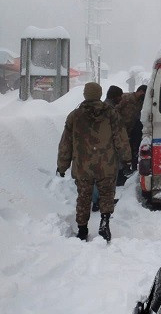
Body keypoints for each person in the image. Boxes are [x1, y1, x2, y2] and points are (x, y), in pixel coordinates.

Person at [57, 82, 131, 242]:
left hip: (83, 165)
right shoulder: (111, 114)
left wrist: (62, 166)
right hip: (106, 163)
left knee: (83, 197)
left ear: (85, 95)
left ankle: (82, 230)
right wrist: (126, 159)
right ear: (99, 94)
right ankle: (105, 222)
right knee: (106, 194)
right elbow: (121, 138)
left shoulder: (74, 116)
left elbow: (66, 143)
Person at [92, 85, 125, 212]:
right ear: (115, 96)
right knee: (106, 177)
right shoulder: (109, 110)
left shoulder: (105, 108)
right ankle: (99, 201)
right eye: (120, 96)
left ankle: (99, 200)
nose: (121, 99)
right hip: (106, 149)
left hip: (98, 148)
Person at [116, 84, 146, 170]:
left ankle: (130, 168)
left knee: (131, 151)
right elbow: (115, 109)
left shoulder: (140, 102)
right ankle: (120, 172)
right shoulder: (125, 98)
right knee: (121, 151)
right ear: (140, 91)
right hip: (121, 130)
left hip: (131, 130)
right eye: (143, 94)